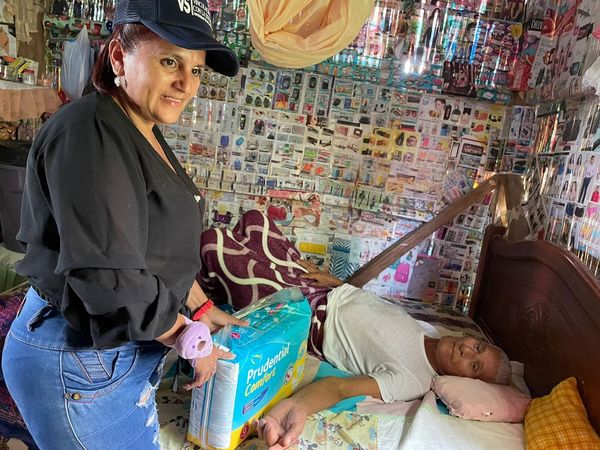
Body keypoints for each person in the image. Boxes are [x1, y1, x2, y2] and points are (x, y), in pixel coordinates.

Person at [1, 1, 246, 449]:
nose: (186, 83)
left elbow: (152, 246)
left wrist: (202, 309)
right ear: (118, 57)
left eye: (196, 69)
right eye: (170, 62)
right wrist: (189, 338)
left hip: (111, 354)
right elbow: (109, 275)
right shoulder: (90, 132)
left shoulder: (139, 128)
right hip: (78, 359)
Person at [198, 210, 513, 448]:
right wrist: (337, 282)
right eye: (478, 347)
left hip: (308, 314)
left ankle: (205, 292)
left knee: (212, 243)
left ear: (463, 379)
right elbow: (375, 310)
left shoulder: (413, 380)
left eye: (473, 365)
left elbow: (339, 388)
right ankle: (216, 289)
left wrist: (297, 407)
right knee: (255, 221)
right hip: (325, 290)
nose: (467, 351)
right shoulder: (431, 332)